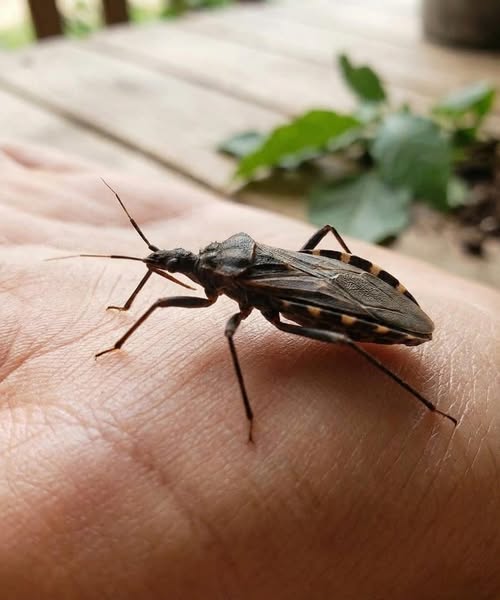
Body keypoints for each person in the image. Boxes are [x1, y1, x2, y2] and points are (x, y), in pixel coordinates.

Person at [0, 143, 498, 599]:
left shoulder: (227, 275)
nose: (167, 268)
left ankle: (422, 402)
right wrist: (136, 292)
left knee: (265, 333)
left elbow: (208, 310)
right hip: (314, 278)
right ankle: (124, 333)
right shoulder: (212, 261)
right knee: (307, 251)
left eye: (172, 266)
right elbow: (155, 267)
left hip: (338, 309)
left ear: (200, 270)